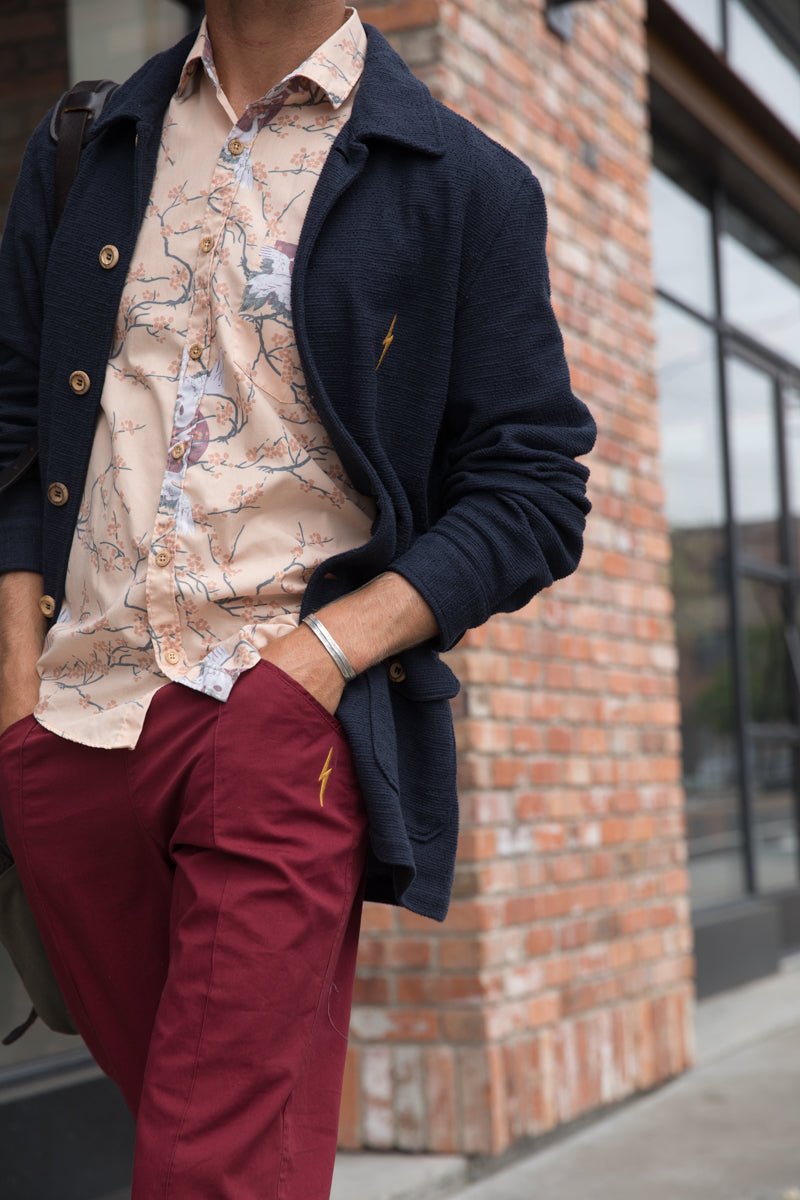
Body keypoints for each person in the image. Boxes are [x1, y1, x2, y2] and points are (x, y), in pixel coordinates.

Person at [0, 0, 596, 1195]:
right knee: (204, 1137)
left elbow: (533, 488)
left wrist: (317, 662)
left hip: (275, 723)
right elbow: (15, 429)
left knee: (212, 1166)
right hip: (67, 731)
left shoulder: (462, 184)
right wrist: (16, 697)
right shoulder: (84, 145)